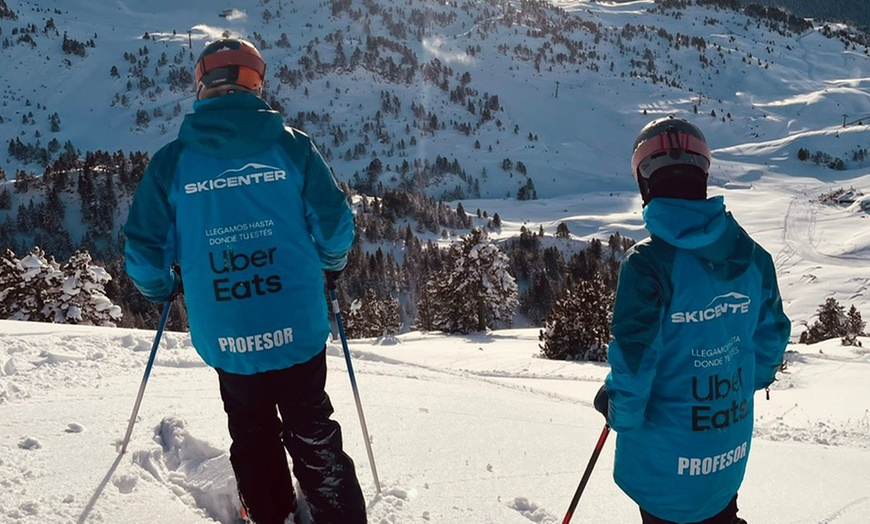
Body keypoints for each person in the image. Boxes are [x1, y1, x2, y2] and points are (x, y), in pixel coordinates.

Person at [123, 38, 366, 524]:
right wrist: (331, 263)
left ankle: (267, 512)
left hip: (228, 329)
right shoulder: (291, 147)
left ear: (201, 85)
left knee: (251, 430)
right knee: (312, 425)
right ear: (256, 83)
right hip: (297, 323)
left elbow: (144, 251)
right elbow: (335, 225)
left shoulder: (172, 163)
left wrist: (159, 289)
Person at [593, 116, 791, 524]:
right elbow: (770, 347)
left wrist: (618, 411)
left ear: (645, 184)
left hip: (665, 466)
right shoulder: (753, 258)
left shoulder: (648, 265)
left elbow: (633, 365)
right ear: (703, 174)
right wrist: (729, 388)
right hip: (727, 448)